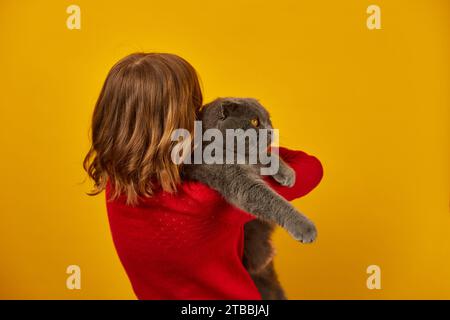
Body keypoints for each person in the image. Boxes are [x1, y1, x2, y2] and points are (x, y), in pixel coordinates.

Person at [83, 52, 323, 299]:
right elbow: (311, 169)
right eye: (193, 106)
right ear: (183, 119)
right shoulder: (208, 197)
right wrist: (234, 143)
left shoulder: (116, 184)